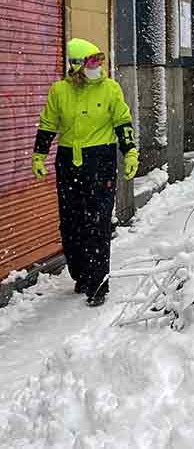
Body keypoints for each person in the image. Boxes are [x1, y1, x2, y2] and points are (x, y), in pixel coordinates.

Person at [31, 38, 138, 307]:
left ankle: (98, 281)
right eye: (92, 61)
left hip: (100, 161)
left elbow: (122, 122)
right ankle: (81, 273)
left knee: (98, 221)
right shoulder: (59, 91)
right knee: (71, 224)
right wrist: (39, 154)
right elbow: (48, 123)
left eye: (100, 60)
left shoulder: (110, 89)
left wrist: (130, 152)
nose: (98, 66)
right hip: (68, 162)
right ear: (76, 65)